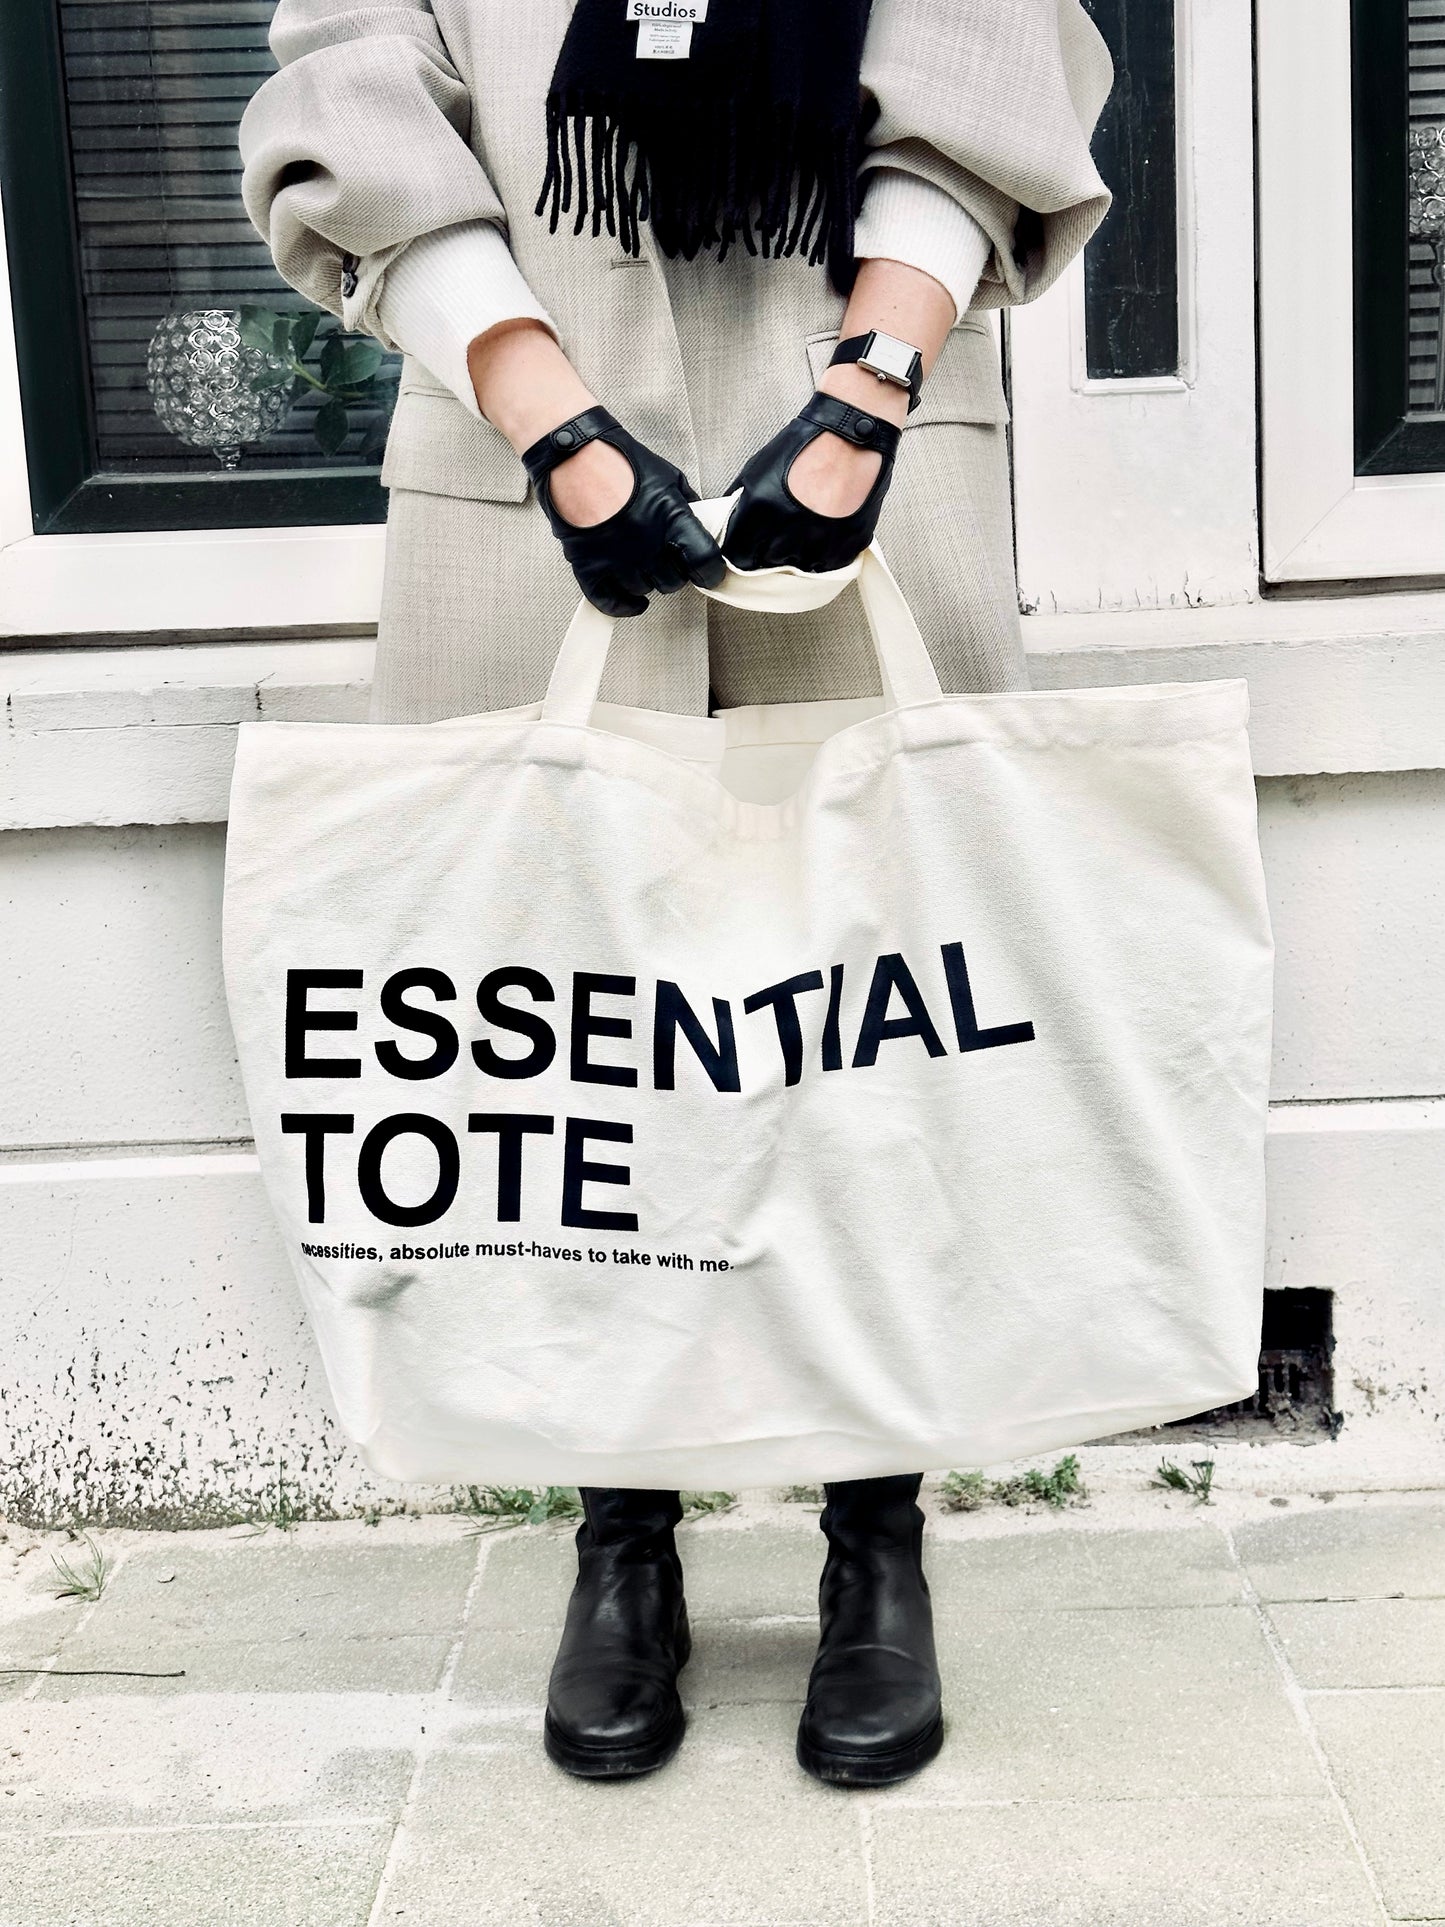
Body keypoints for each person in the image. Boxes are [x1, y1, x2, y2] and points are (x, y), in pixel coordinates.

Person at [240, 0, 1112, 1789]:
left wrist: (863, 398)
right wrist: (555, 425)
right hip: (512, 461)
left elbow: (987, 63)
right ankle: (619, 1543)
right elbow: (352, 90)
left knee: (883, 1028)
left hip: (869, 450)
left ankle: (875, 1543)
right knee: (567, 1046)